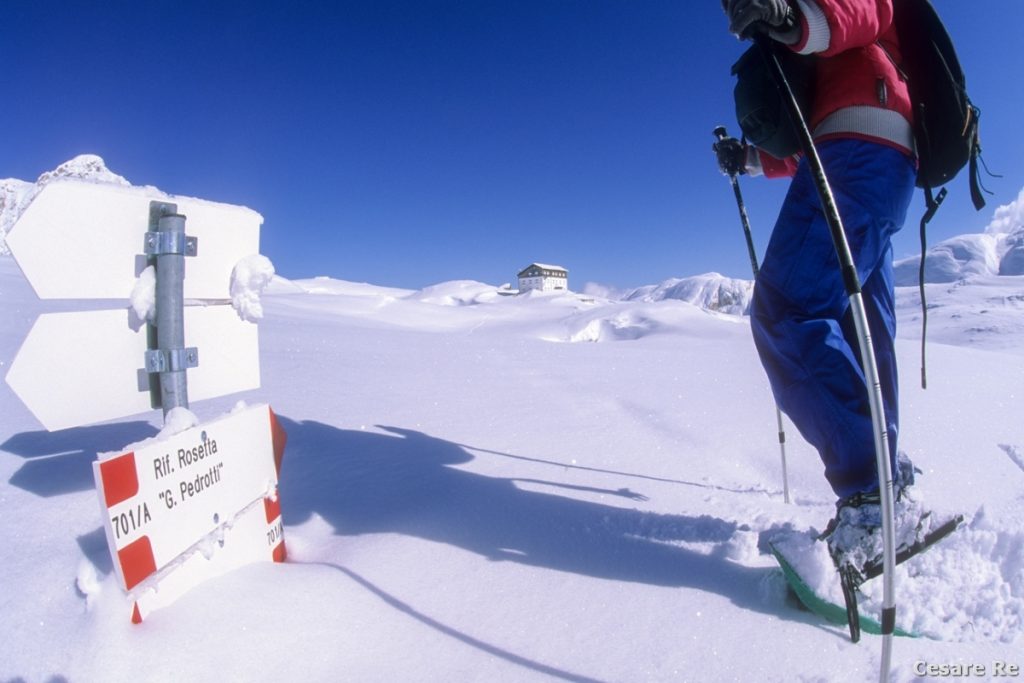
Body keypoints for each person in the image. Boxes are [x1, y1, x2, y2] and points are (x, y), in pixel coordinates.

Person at [714, 0, 931, 576]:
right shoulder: (853, 67)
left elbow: (864, 10)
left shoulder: (843, 23)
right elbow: (817, 121)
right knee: (863, 331)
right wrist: (752, 159)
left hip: (857, 152)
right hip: (877, 156)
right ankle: (887, 479)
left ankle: (871, 497)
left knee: (787, 311)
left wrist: (792, 16)